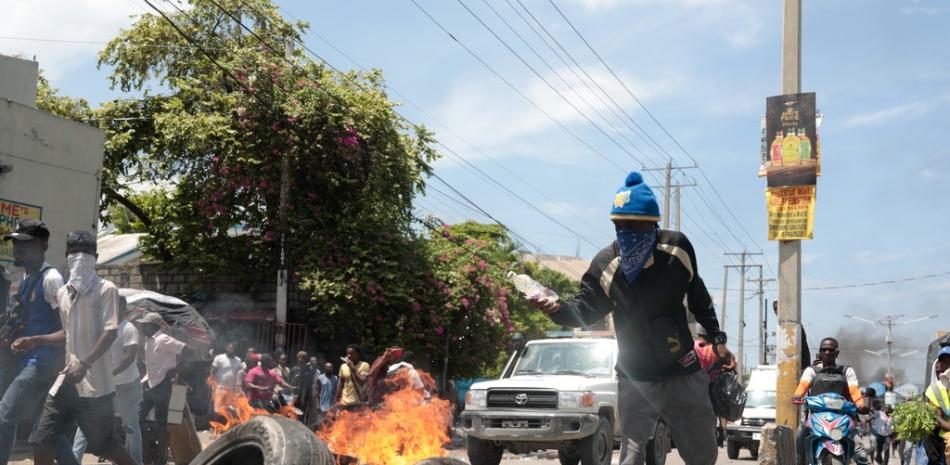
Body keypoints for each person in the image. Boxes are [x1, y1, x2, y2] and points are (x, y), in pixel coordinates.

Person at [531, 172, 734, 465]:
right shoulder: (605, 265)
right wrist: (555, 309)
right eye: (620, 226)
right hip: (636, 376)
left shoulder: (677, 250)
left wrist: (717, 339)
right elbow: (584, 310)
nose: (626, 232)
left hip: (683, 369)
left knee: (702, 453)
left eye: (635, 225)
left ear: (653, 225)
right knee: (633, 455)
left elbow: (698, 295)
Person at [25, 230, 135, 465]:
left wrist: (85, 363)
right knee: (43, 438)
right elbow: (66, 333)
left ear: (94, 257)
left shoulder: (106, 290)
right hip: (66, 381)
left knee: (104, 445)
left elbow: (111, 330)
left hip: (96, 385)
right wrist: (36, 339)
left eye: (85, 252)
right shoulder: (63, 293)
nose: (79, 257)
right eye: (74, 252)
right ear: (67, 255)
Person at [0, 221, 78, 465]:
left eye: (25, 242)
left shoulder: (52, 279)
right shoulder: (26, 277)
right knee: (41, 425)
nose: (17, 247)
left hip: (43, 363)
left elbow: (70, 332)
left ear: (43, 246)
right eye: (15, 242)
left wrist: (35, 340)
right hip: (26, 361)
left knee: (5, 415)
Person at [73, 296, 143, 465]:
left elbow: (129, 357)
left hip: (126, 385)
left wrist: (109, 373)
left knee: (130, 426)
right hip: (103, 385)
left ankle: (136, 462)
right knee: (87, 422)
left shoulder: (128, 328)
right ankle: (73, 459)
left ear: (122, 308)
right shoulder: (102, 329)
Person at [793, 337, 870, 465]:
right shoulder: (812, 371)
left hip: (843, 418)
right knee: (800, 433)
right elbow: (803, 385)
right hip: (817, 418)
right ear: (820, 352)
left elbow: (854, 390)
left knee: (861, 454)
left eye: (830, 350)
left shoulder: (847, 371)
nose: (827, 353)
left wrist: (860, 405)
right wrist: (797, 395)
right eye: (824, 350)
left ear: (837, 353)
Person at [135, 312, 186, 465]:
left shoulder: (164, 339)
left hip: (163, 384)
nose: (143, 327)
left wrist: (176, 369)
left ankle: (159, 460)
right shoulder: (147, 340)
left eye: (146, 325)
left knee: (160, 424)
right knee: (137, 419)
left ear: (155, 326)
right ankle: (146, 456)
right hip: (149, 383)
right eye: (143, 325)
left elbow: (188, 350)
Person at [924, 346, 950, 465]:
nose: (947, 365)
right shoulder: (935, 390)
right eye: (944, 362)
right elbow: (937, 418)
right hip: (944, 437)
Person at [774, 300, 812, 370]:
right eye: (775, 309)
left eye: (779, 308)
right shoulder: (781, 326)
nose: (777, 311)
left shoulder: (793, 325)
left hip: (800, 367)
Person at [336, 345, 370, 409]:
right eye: (348, 354)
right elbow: (340, 386)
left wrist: (352, 367)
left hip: (358, 403)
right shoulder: (343, 366)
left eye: (351, 354)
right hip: (344, 403)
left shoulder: (365, 365)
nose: (349, 356)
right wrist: (337, 401)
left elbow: (362, 381)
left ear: (357, 354)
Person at [311, 361, 338, 429]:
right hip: (322, 406)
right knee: (320, 425)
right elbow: (317, 392)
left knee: (330, 425)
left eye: (331, 367)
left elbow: (337, 392)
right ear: (325, 368)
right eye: (328, 367)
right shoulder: (320, 378)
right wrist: (317, 405)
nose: (330, 369)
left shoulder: (335, 378)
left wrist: (335, 405)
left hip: (331, 407)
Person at [290, 351, 313, 420]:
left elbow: (310, 384)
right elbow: (290, 383)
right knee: (293, 414)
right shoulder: (294, 369)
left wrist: (309, 397)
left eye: (303, 358)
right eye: (299, 357)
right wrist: (293, 395)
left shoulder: (308, 370)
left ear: (305, 359)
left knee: (301, 415)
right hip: (294, 395)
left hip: (304, 396)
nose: (301, 359)